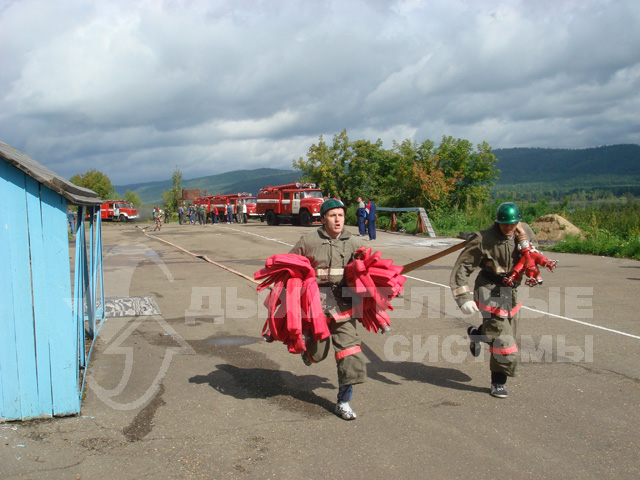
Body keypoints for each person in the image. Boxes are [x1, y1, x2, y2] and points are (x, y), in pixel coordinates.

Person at [449, 202, 538, 399]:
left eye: (512, 224)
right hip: (490, 289)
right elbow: (462, 267)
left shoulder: (525, 231)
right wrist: (463, 297)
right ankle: (498, 382)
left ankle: (477, 334)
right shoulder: (483, 239)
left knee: (504, 333)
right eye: (504, 224)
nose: (508, 228)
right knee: (503, 340)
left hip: (513, 291)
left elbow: (532, 251)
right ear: (497, 222)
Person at [290, 198, 366, 420]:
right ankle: (309, 353)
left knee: (349, 352)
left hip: (344, 306)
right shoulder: (308, 241)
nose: (337, 220)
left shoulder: (354, 243)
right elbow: (290, 265)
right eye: (332, 215)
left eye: (341, 215)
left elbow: (368, 269)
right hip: (317, 307)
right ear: (322, 219)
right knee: (318, 354)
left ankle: (343, 401)